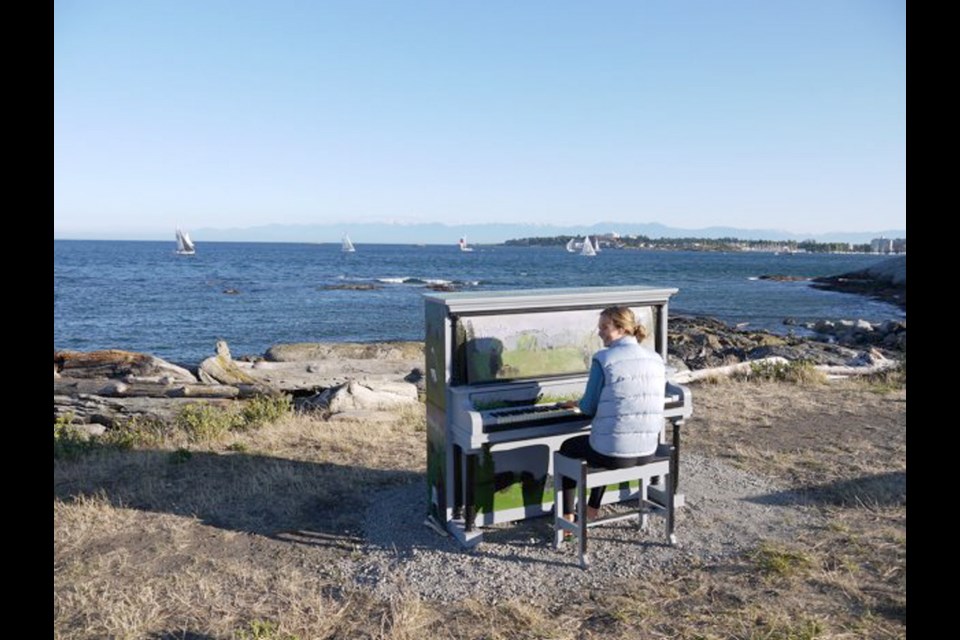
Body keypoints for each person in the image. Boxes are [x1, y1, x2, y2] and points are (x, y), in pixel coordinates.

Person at [558, 305, 666, 524]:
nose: (599, 332)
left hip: (613, 453)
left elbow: (588, 408)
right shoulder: (655, 358)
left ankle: (568, 518)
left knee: (570, 448)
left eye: (604, 327)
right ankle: (591, 509)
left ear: (622, 329)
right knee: (607, 439)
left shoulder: (604, 358)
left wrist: (574, 404)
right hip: (647, 450)